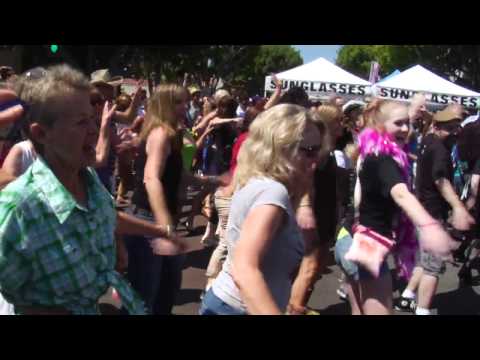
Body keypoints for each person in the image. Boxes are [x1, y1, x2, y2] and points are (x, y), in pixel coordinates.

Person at [0, 64, 187, 315]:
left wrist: (159, 231)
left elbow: (107, 216)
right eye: (80, 122)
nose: (94, 130)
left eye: (92, 119)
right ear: (42, 134)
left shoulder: (88, 179)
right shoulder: (18, 209)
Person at [199, 104, 330, 315]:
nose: (316, 161)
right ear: (279, 148)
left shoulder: (260, 180)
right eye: (309, 151)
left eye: (319, 152)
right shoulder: (272, 192)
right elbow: (244, 269)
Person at [343, 99, 455, 315]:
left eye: (408, 123)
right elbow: (400, 193)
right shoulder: (383, 158)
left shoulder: (375, 152)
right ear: (379, 126)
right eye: (398, 123)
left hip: (351, 236)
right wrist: (430, 227)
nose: (405, 129)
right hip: (366, 242)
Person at [395, 106, 475, 315]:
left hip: (423, 210)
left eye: (457, 127)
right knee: (433, 267)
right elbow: (441, 179)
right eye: (450, 128)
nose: (455, 132)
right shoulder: (439, 149)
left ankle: (407, 295)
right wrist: (458, 207)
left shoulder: (428, 140)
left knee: (425, 259)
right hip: (432, 213)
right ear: (438, 128)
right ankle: (422, 310)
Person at [125, 83, 193, 314]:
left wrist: (211, 181)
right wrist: (164, 227)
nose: (185, 107)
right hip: (148, 220)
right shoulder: (161, 133)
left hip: (160, 221)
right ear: (164, 105)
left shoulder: (173, 134)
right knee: (144, 299)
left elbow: (177, 175)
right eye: (178, 102)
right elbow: (151, 178)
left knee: (166, 291)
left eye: (186, 101)